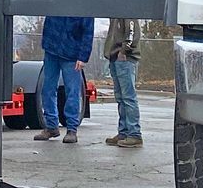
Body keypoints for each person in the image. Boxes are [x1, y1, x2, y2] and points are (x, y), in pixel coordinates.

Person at [37, 15, 93, 143]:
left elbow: (88, 31)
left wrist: (83, 56)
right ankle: (51, 126)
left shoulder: (83, 4)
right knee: (47, 89)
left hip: (71, 54)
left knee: (72, 92)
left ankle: (71, 129)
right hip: (52, 50)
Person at [103, 17, 143, 147]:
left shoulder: (127, 11)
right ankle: (124, 132)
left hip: (124, 59)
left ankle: (134, 134)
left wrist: (124, 51)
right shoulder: (115, 14)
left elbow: (132, 32)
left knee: (128, 97)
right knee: (121, 97)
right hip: (115, 58)